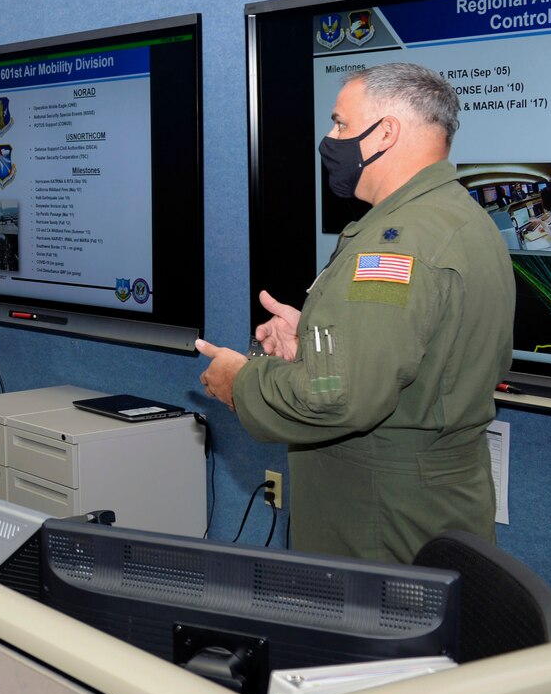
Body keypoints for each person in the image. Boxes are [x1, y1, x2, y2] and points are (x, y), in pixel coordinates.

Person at [195, 62, 514, 563]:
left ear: (386, 131)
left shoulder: (399, 243)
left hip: (379, 521)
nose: (330, 137)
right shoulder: (459, 219)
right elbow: (426, 355)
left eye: (342, 124)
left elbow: (338, 397)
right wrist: (316, 342)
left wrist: (241, 382)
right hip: (430, 506)